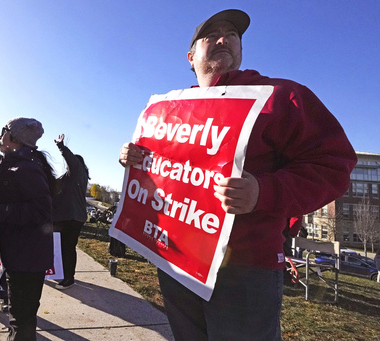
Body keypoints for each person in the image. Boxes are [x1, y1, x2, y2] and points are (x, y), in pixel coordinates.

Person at [118, 9, 357, 340]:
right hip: (174, 260)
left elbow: (334, 163)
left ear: (240, 49)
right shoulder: (171, 111)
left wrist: (264, 191)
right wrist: (134, 160)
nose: (223, 38)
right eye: (210, 35)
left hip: (244, 269)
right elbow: (167, 172)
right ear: (191, 56)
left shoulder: (278, 96)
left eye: (232, 34)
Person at [0, 117, 58, 341]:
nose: (0, 135)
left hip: (27, 258)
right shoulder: (13, 163)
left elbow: (42, 210)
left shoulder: (26, 168)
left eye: (4, 130)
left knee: (21, 319)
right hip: (21, 255)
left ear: (15, 138)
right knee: (21, 317)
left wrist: (3, 211)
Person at [52, 134, 90, 290]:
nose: (68, 164)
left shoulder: (77, 173)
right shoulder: (67, 178)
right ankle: (60, 273)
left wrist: (61, 147)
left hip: (72, 217)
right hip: (63, 217)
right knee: (59, 247)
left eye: (72, 162)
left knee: (67, 247)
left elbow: (72, 161)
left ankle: (69, 278)